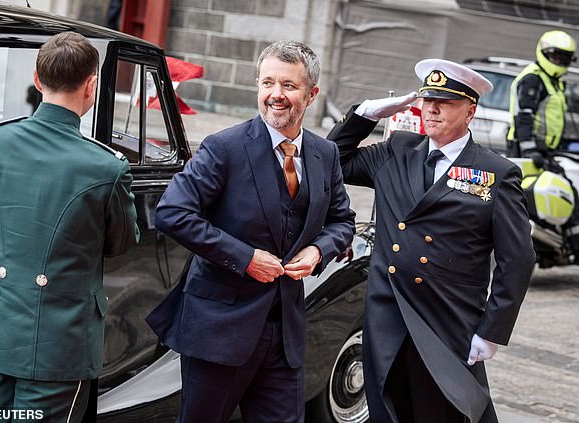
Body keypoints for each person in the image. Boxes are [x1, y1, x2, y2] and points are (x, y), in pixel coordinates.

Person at [145, 40, 355, 423]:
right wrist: (246, 259)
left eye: (288, 86)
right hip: (219, 329)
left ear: (312, 94)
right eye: (267, 83)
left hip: (286, 332)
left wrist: (319, 251)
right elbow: (172, 212)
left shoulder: (326, 155)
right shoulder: (224, 148)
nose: (276, 95)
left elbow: (342, 221)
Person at [327, 58, 535, 423]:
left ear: (470, 112)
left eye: (446, 102)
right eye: (427, 100)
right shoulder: (397, 150)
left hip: (447, 319)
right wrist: (364, 114)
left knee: (445, 410)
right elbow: (334, 161)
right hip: (388, 312)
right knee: (387, 407)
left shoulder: (496, 173)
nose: (432, 109)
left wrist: (493, 330)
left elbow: (516, 260)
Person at [0, 31, 139, 422]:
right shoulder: (107, 166)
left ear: (37, 80)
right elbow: (121, 242)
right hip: (59, 344)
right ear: (91, 86)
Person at [507, 30, 579, 257]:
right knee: (560, 191)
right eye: (554, 56)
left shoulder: (554, 82)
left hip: (544, 149)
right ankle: (572, 245)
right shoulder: (533, 79)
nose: (558, 62)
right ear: (543, 52)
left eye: (563, 58)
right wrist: (530, 150)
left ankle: (552, 242)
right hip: (526, 148)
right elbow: (524, 117)